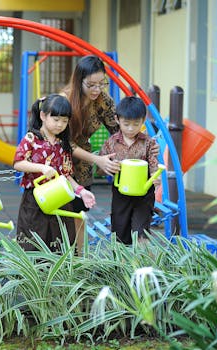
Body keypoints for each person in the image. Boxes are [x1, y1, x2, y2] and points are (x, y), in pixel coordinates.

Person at [61, 55, 159, 251]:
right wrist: (98, 160)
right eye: (91, 85)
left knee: (80, 213)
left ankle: (80, 259)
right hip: (61, 159)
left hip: (83, 165)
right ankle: (62, 257)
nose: (97, 90)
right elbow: (65, 143)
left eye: (102, 83)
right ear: (79, 80)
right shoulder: (66, 101)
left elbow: (121, 129)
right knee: (63, 213)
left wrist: (146, 144)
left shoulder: (103, 100)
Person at [14, 94, 96, 252]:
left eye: (64, 121)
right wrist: (41, 168)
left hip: (60, 198)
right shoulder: (32, 139)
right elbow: (18, 163)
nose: (60, 125)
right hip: (36, 199)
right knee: (33, 242)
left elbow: (65, 175)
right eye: (56, 119)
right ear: (43, 116)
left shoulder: (62, 143)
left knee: (60, 241)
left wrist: (81, 191)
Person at [99, 96, 161, 245]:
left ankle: (142, 264)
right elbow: (101, 166)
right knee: (120, 230)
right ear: (117, 119)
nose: (131, 129)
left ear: (143, 120)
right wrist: (109, 167)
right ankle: (121, 265)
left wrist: (155, 175)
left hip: (144, 193)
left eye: (136, 124)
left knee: (142, 230)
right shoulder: (111, 142)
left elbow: (153, 161)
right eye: (126, 124)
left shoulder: (148, 142)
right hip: (121, 192)